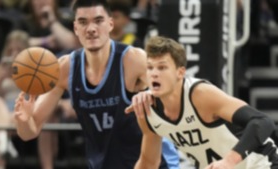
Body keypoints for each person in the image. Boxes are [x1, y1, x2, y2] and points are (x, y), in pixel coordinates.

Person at [14, 1, 179, 169]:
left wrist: (154, 95)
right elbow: (29, 133)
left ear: (110, 24)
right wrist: (24, 119)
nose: (91, 28)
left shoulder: (133, 60)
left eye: (98, 21)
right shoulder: (65, 68)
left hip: (156, 164)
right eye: (83, 22)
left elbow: (176, 94)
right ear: (76, 28)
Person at [125, 36, 278, 169]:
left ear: (180, 72)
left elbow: (263, 121)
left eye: (162, 67)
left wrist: (228, 162)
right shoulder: (146, 109)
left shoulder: (200, 94)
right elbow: (149, 162)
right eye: (150, 68)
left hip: (262, 164)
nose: (154, 74)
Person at [0, 30, 30, 169]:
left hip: (23, 114)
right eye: (11, 50)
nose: (14, 54)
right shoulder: (0, 69)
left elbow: (34, 96)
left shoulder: (33, 70)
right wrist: (1, 77)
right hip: (3, 114)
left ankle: (0, 155)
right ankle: (3, 142)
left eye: (18, 50)